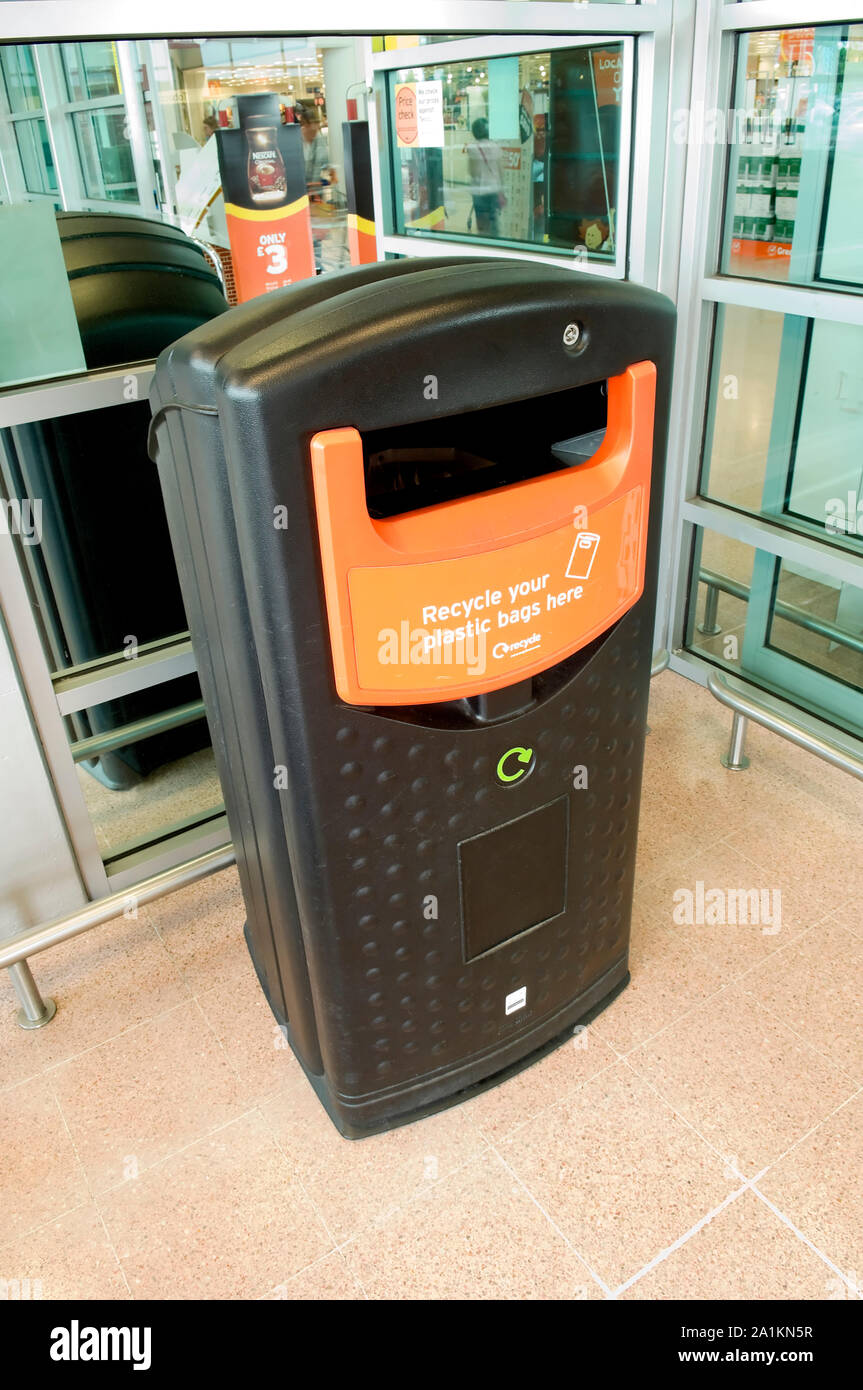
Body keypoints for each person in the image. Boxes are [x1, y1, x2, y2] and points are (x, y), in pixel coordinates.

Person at [465, 117, 504, 236]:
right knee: (494, 219)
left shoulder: (472, 148)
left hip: (480, 190)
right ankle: (495, 240)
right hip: (494, 189)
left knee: (482, 222)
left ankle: (484, 240)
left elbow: (473, 172)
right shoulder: (496, 146)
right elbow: (501, 171)